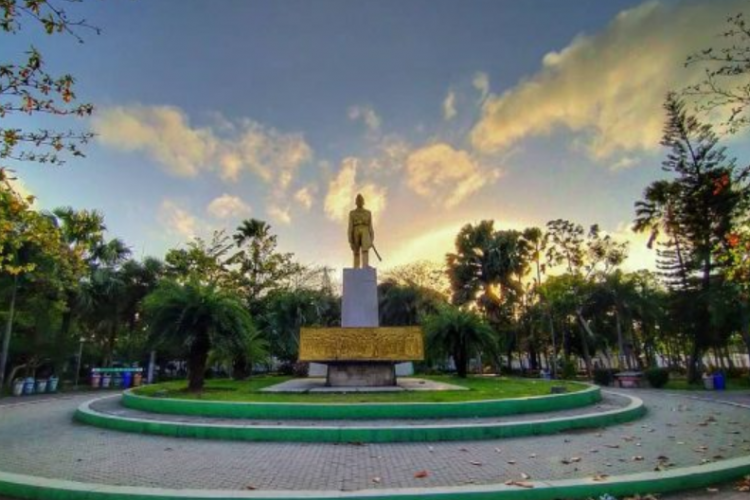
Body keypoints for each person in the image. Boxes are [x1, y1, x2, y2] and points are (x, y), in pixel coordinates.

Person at [348, 194, 374, 268]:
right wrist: (350, 239)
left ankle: (365, 265)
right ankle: (356, 267)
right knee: (356, 251)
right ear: (355, 202)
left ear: (363, 202)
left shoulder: (368, 213)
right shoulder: (352, 213)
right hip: (355, 230)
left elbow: (370, 226)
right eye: (358, 200)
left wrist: (371, 239)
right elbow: (350, 227)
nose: (359, 202)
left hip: (365, 231)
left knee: (365, 249)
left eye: (361, 200)